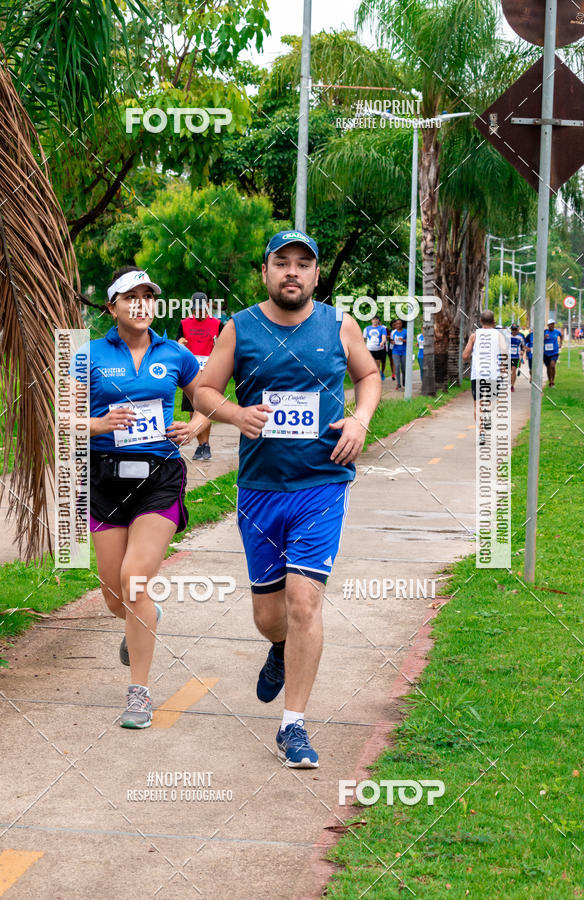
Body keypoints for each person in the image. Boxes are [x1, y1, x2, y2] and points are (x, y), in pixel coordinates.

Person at [195, 230, 382, 768]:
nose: (292, 272)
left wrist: (361, 418)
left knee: (305, 604)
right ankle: (278, 647)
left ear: (317, 275)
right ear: (266, 272)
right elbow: (204, 390)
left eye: (303, 264)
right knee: (269, 616)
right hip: (260, 490)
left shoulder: (338, 324)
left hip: (321, 483)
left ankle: (293, 725)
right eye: (282, 263)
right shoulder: (241, 328)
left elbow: (368, 375)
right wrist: (234, 414)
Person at [80, 266, 208, 728]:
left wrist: (194, 427)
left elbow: (207, 401)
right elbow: (60, 419)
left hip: (159, 477)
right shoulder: (87, 355)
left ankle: (139, 693)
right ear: (111, 307)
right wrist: (99, 425)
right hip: (104, 479)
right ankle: (142, 619)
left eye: (148, 296)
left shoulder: (175, 354)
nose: (141, 304)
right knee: (116, 595)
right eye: (129, 297)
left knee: (134, 579)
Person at [177, 291, 220, 459]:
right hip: (190, 373)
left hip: (210, 373)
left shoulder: (217, 324)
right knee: (192, 409)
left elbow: (225, 348)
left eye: (202, 308)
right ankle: (201, 446)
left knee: (205, 408)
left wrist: (219, 344)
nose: (199, 312)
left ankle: (205, 445)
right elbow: (176, 344)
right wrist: (179, 343)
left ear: (208, 306)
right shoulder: (184, 323)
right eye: (196, 309)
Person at [462, 309, 508, 444]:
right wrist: (503, 368)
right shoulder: (499, 336)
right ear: (494, 322)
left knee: (477, 404)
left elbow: (465, 356)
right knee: (490, 404)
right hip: (493, 375)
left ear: (480, 321)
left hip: (477, 374)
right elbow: (504, 352)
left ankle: (481, 432)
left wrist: (474, 357)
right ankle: (486, 424)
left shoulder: (474, 336)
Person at [363, 315, 388, 380]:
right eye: (373, 319)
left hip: (378, 349)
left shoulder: (382, 328)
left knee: (377, 366)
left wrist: (382, 342)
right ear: (371, 320)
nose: (375, 321)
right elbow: (364, 339)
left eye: (376, 319)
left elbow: (384, 338)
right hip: (369, 349)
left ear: (378, 321)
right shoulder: (367, 329)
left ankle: (376, 379)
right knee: (369, 365)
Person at [543, 319, 562, 387]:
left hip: (554, 352)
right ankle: (550, 381)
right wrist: (544, 338)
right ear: (548, 325)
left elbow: (561, 335)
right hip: (546, 353)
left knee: (552, 366)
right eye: (551, 324)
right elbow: (539, 339)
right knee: (548, 368)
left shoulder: (557, 332)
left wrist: (560, 343)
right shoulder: (544, 332)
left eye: (553, 324)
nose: (552, 325)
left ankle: (553, 381)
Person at [390, 319, 407, 389]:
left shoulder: (405, 331)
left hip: (404, 352)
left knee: (403, 368)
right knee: (397, 366)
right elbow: (391, 340)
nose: (398, 325)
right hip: (395, 351)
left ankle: (404, 382)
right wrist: (392, 342)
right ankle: (398, 383)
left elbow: (409, 341)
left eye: (399, 324)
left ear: (402, 324)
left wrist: (403, 340)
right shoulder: (393, 332)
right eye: (397, 324)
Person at [509, 323, 525, 391]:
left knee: (513, 370)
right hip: (508, 356)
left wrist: (522, 351)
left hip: (516, 356)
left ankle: (512, 385)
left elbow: (523, 346)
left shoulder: (520, 337)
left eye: (515, 329)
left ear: (517, 330)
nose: (514, 331)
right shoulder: (507, 336)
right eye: (513, 329)